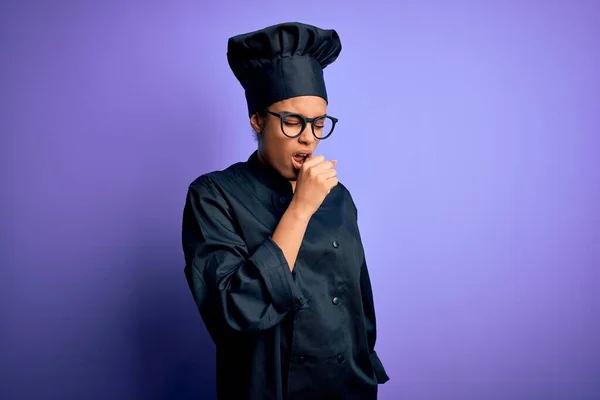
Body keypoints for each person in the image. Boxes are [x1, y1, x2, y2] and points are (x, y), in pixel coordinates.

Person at [181, 21, 389, 400]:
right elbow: (233, 311)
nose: (309, 137)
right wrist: (301, 207)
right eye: (292, 121)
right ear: (257, 121)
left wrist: (364, 371)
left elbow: (360, 309)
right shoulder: (214, 195)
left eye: (319, 123)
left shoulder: (338, 196)